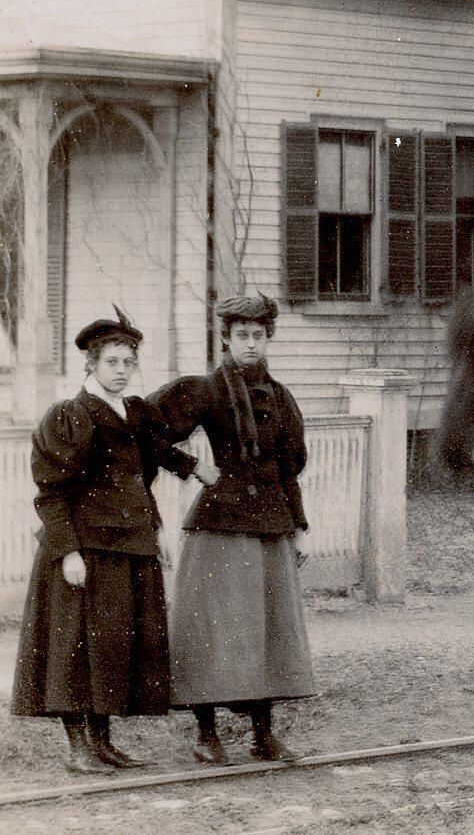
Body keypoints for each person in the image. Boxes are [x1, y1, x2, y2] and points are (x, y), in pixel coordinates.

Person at [11, 309, 220, 773]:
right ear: (91, 364)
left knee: (111, 647)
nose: (122, 370)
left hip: (130, 546)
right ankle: (78, 748)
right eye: (112, 362)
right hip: (86, 550)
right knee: (76, 648)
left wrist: (190, 473)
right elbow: (52, 493)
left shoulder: (135, 413)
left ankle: (103, 743)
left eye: (129, 362)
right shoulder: (69, 416)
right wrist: (68, 552)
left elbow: (153, 456)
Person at [150, 294, 317, 765]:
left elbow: (287, 470)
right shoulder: (206, 391)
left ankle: (263, 734)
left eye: (258, 335)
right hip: (218, 527)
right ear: (225, 339)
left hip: (270, 528)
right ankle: (206, 735)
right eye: (241, 335)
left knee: (267, 629)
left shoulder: (281, 398)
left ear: (268, 339)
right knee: (211, 629)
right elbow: (147, 432)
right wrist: (190, 466)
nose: (250, 344)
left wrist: (299, 526)